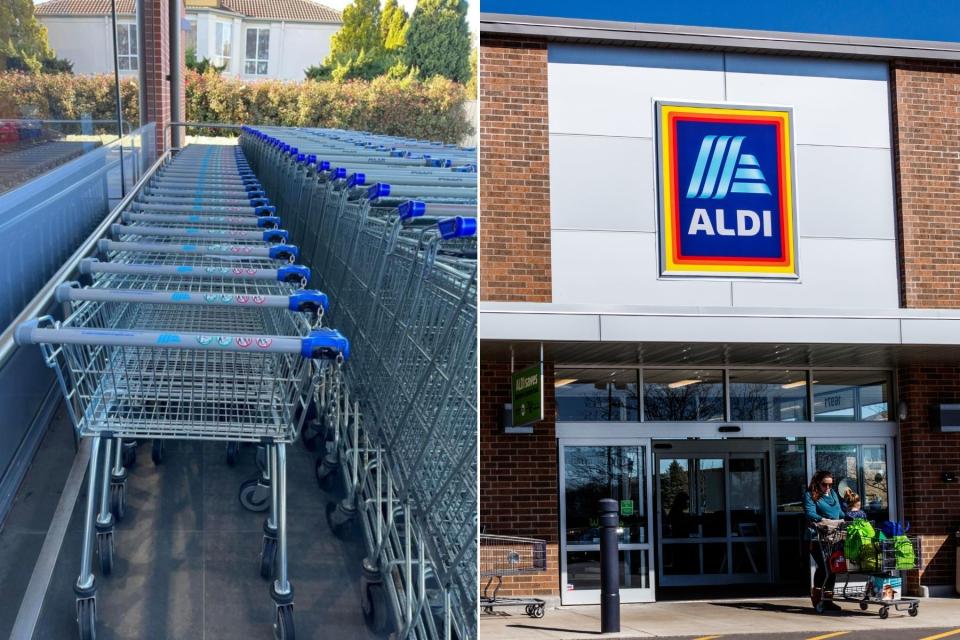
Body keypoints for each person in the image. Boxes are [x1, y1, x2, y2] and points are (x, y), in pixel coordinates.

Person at [803, 470, 844, 612]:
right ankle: (817, 597)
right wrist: (824, 521)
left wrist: (851, 516)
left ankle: (828, 599)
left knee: (833, 566)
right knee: (824, 565)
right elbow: (810, 513)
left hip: (834, 536)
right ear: (817, 483)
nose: (827, 488)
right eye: (824, 485)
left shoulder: (832, 495)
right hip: (817, 537)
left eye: (830, 485)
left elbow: (839, 512)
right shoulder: (810, 495)